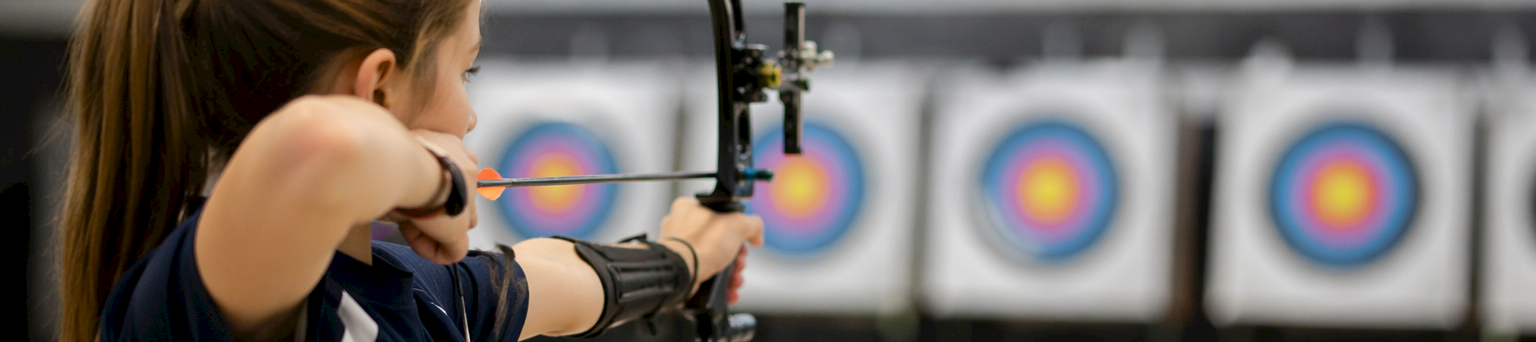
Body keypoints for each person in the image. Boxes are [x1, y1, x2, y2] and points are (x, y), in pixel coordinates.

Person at [57, 0, 766, 341]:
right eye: (467, 69)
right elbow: (318, 151)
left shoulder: (419, 298)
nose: (471, 117)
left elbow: (564, 278)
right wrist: (439, 181)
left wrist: (687, 256)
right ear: (377, 89)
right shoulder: (199, 296)